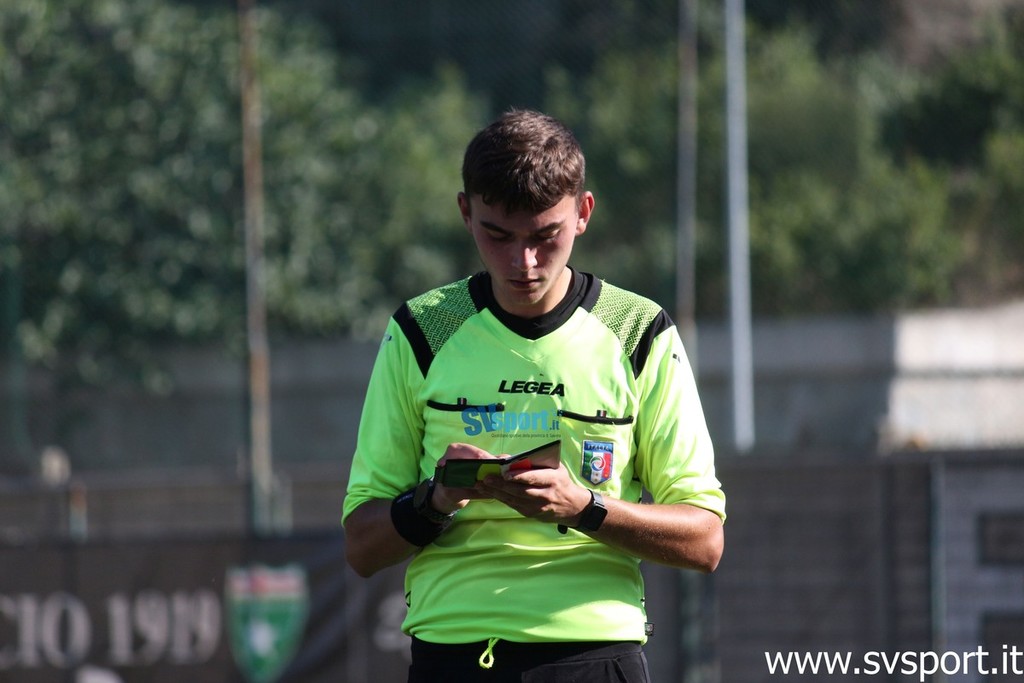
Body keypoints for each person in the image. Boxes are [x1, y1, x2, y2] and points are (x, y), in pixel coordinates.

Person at [342, 109, 726, 682]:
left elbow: (705, 540)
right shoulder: (421, 331)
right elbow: (361, 546)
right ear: (465, 212)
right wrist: (434, 501)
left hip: (595, 654)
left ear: (584, 213)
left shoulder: (638, 331)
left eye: (546, 237)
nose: (523, 263)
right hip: (452, 654)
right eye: (498, 236)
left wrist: (585, 507)